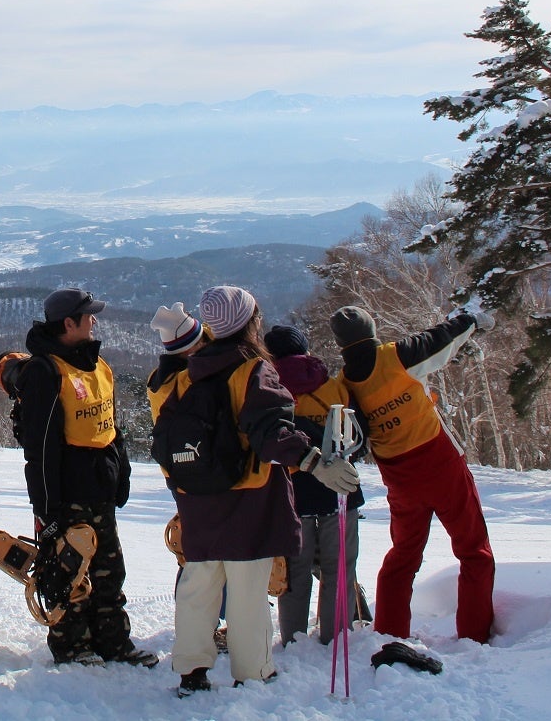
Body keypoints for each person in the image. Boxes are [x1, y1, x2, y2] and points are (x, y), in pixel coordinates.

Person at [151, 288, 359, 697]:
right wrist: (317, 463)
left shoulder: (187, 373)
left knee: (199, 584)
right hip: (247, 495)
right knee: (247, 588)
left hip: (196, 496)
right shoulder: (251, 370)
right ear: (251, 322)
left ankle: (191, 671)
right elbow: (271, 434)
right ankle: (254, 671)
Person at [331, 303, 495, 644]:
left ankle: (390, 634)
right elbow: (442, 338)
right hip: (441, 465)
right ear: (371, 331)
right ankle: (474, 635)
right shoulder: (397, 356)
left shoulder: (344, 385)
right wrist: (473, 320)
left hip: (400, 480)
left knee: (403, 558)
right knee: (473, 550)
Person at [20, 287, 156, 667]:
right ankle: (72, 646)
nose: (94, 320)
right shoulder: (45, 372)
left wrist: (122, 470)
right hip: (67, 494)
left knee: (109, 571)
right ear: (68, 323)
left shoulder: (99, 365)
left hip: (100, 487)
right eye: (88, 315)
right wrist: (47, 507)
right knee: (68, 574)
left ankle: (113, 642)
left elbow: (112, 426)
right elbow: (41, 447)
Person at [264, 323, 366, 646]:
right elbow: (359, 438)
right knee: (340, 567)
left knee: (295, 569)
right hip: (340, 490)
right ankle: (336, 634)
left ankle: (293, 637)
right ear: (305, 351)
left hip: (294, 490)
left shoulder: (270, 389)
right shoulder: (335, 387)